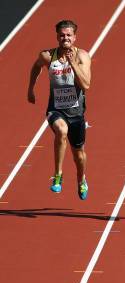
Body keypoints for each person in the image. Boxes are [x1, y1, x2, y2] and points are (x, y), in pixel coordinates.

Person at [27, 20, 91, 199]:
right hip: (56, 109)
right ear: (57, 37)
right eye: (62, 35)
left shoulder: (82, 56)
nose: (65, 38)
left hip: (76, 112)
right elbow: (36, 67)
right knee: (61, 131)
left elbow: (86, 84)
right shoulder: (48, 56)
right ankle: (58, 175)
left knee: (79, 155)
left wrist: (73, 64)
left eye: (69, 35)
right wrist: (31, 89)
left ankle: (81, 179)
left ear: (74, 37)